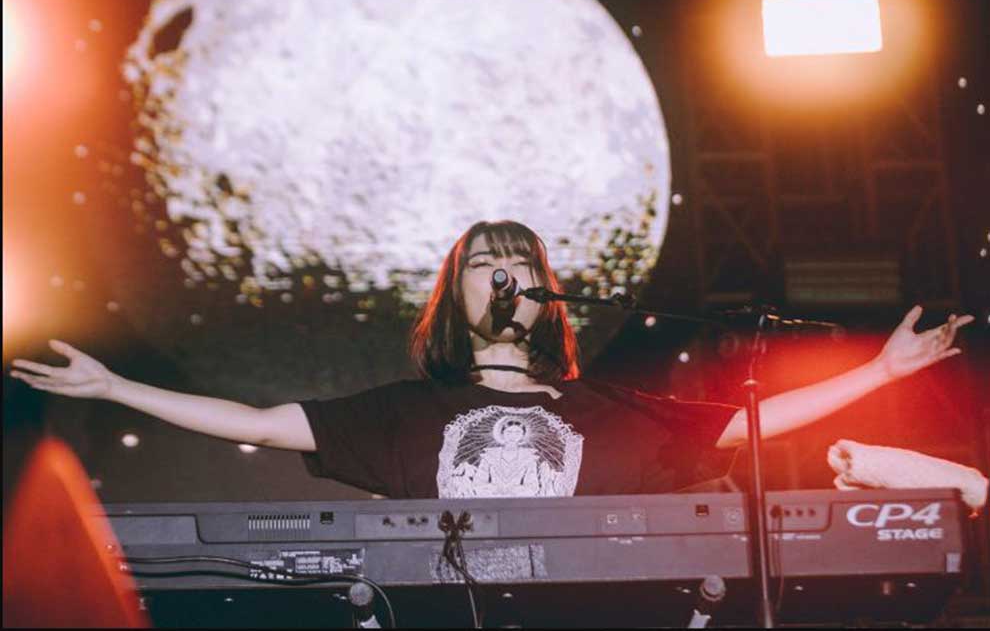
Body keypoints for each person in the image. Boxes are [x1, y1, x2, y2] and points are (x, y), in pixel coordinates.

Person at [10, 221, 974, 499]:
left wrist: (883, 375)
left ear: (543, 291)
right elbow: (262, 424)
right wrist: (112, 385)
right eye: (484, 263)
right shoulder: (400, 414)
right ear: (457, 295)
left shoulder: (612, 407)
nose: (504, 272)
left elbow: (750, 422)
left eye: (519, 261)